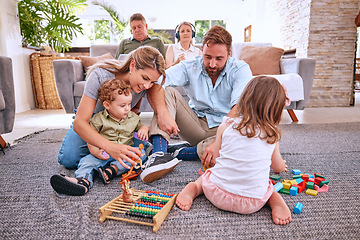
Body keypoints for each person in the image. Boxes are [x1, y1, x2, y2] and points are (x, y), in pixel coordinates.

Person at [139, 25, 253, 183]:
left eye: (219, 59)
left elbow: (239, 107)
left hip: (223, 130)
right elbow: (157, 82)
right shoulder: (190, 66)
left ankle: (181, 152)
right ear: (202, 50)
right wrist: (164, 114)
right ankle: (158, 154)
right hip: (195, 124)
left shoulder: (240, 69)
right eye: (208, 57)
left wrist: (218, 141)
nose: (212, 64)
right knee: (168, 92)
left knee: (248, 141)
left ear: (229, 54)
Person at [175, 76, 292, 225]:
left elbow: (216, 159)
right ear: (277, 109)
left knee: (207, 175)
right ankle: (277, 203)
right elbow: (276, 167)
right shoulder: (272, 134)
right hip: (252, 203)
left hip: (217, 194)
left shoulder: (227, 126)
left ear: (244, 100)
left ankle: (193, 189)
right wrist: (282, 165)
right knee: (268, 185)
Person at [56, 46, 168, 176]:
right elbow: (80, 122)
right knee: (68, 159)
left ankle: (109, 161)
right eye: (145, 78)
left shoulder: (143, 85)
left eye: (151, 82)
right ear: (132, 65)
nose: (147, 86)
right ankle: (103, 152)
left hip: (119, 123)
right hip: (93, 121)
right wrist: (107, 146)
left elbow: (140, 104)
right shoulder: (100, 75)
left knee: (144, 151)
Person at [50, 78, 149, 196]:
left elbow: (141, 126)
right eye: (122, 105)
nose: (127, 108)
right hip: (103, 154)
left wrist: (144, 129)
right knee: (86, 162)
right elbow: (90, 136)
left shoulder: (133, 117)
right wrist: (95, 151)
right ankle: (83, 181)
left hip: (124, 154)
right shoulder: (98, 119)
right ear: (107, 105)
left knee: (140, 155)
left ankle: (112, 170)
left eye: (129, 104)